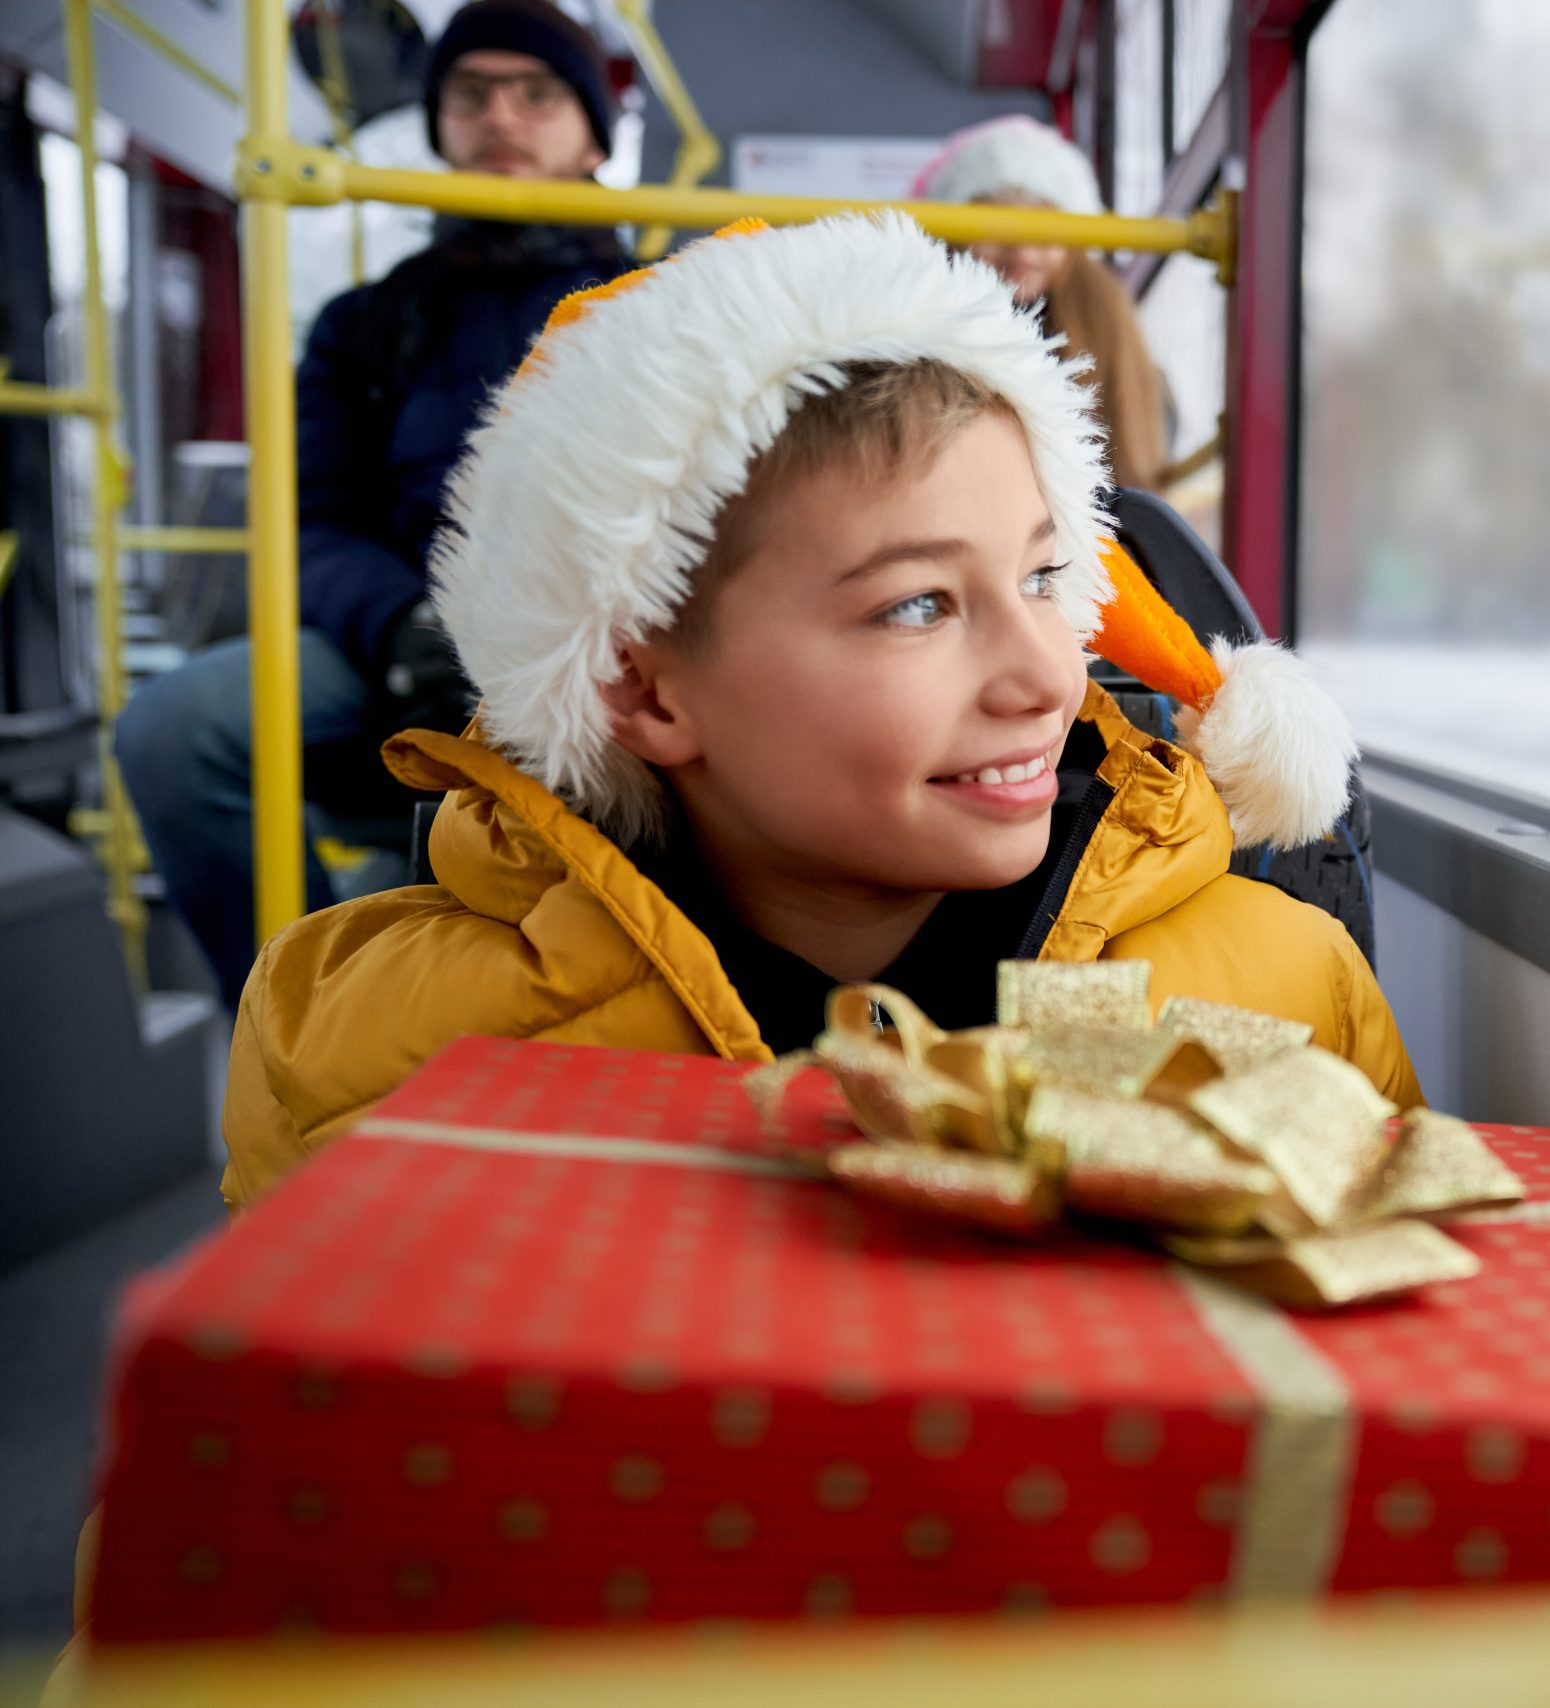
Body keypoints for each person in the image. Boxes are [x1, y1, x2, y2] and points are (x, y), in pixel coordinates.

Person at [218, 212, 1417, 1210]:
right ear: (639, 685)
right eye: (917, 607)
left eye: (1046, 579)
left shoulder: (1279, 983)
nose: (1052, 677)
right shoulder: (366, 1050)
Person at [113, 0, 634, 1004]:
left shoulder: (662, 296)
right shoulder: (368, 322)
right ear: (439, 124)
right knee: (175, 732)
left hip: (586, 657)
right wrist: (404, 625)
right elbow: (314, 517)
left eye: (537, 93)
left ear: (589, 136)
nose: (502, 117)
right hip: (401, 641)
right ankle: (292, 1008)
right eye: (473, 93)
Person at [914, 116, 1168, 492]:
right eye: (994, 224)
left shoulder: (1103, 321)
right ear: (954, 235)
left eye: (1045, 227)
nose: (1023, 247)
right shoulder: (923, 320)